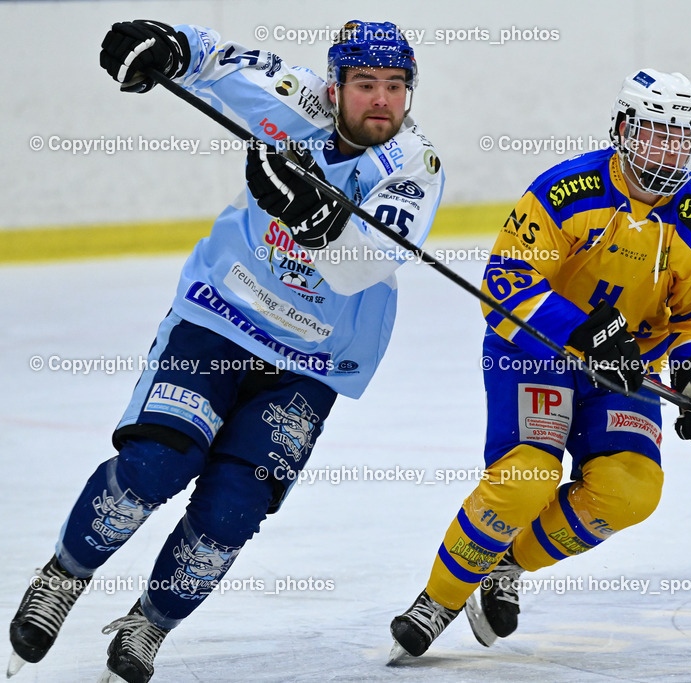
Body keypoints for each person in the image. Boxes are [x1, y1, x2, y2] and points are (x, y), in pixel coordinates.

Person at [9, 19, 443, 683]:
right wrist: (168, 44)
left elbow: (365, 264)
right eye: (365, 83)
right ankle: (64, 576)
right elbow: (213, 62)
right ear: (335, 88)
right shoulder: (297, 102)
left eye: (395, 84)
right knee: (157, 462)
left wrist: (309, 214)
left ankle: (151, 622)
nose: (382, 99)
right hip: (221, 318)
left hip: (310, 361)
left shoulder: (414, 165)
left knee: (232, 508)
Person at [389, 68, 691, 659]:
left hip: (623, 369)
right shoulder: (566, 192)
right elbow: (505, 284)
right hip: (537, 354)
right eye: (655, 134)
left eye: (681, 138)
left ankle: (504, 563)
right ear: (623, 129)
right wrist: (583, 332)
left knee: (631, 491)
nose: (668, 151)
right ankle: (440, 600)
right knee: (526, 478)